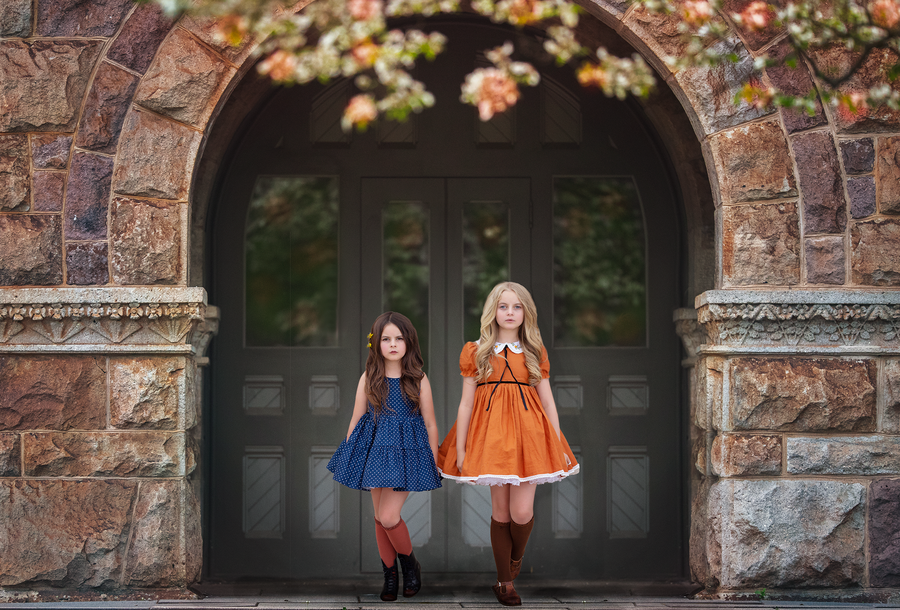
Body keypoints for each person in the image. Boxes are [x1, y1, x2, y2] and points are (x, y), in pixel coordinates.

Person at [437, 282, 579, 606]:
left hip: (529, 437)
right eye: (503, 306)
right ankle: (505, 583)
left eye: (517, 307)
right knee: (500, 511)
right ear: (493, 311)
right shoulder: (476, 350)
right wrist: (460, 448)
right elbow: (465, 404)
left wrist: (556, 442)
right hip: (491, 438)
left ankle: (512, 562)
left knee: (522, 510)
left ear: (526, 312)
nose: (510, 312)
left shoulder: (533, 352)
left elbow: (548, 400)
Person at [327, 312, 441, 601]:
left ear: (409, 342)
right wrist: (350, 453)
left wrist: (434, 456)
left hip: (406, 453)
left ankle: (410, 565)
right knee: (379, 517)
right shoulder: (370, 377)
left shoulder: (417, 378)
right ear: (376, 344)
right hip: (374, 452)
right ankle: (390, 578)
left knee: (389, 516)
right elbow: (356, 418)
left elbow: (429, 423)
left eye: (399, 338)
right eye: (386, 339)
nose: (392, 344)